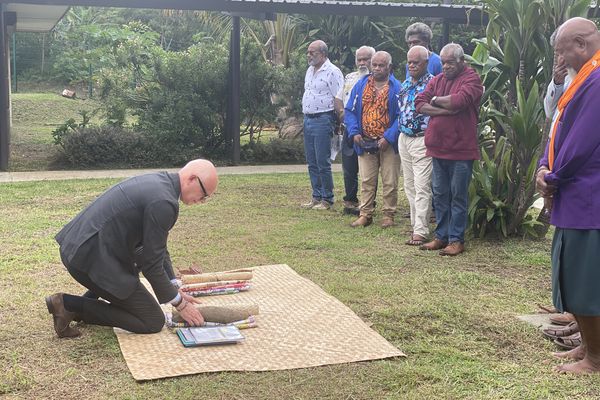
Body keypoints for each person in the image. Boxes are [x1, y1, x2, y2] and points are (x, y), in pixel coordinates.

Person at [46, 159, 218, 338]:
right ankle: (68, 304)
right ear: (192, 179)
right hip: (89, 257)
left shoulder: (161, 183)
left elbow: (156, 248)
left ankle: (81, 304)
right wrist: (180, 304)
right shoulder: (164, 202)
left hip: (81, 247)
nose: (202, 201)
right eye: (204, 194)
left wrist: (173, 286)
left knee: (131, 275)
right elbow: (152, 265)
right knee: (151, 319)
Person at [536, 17, 600, 374]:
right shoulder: (583, 78)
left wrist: (552, 176)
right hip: (572, 193)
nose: (558, 58)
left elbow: (582, 143)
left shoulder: (597, 80)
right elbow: (559, 128)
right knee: (572, 274)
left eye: (561, 50)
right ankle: (588, 347)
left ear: (581, 46)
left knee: (586, 280)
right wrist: (545, 169)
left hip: (587, 195)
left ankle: (596, 357)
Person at [414, 43, 483, 256]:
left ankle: (456, 239)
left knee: (458, 195)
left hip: (461, 149)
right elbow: (419, 103)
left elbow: (460, 101)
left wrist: (435, 102)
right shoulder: (437, 80)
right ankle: (441, 237)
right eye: (443, 62)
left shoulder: (472, 79)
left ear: (462, 61)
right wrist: (443, 111)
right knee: (440, 195)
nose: (445, 67)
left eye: (450, 63)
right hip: (437, 148)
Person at [344, 51, 401, 228]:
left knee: (390, 180)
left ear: (389, 67)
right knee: (367, 180)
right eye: (374, 65)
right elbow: (350, 110)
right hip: (365, 140)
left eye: (381, 65)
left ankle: (388, 215)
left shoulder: (397, 87)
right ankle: (365, 214)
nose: (376, 68)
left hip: (388, 144)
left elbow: (401, 116)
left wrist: (389, 137)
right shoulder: (361, 84)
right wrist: (354, 132)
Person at [301, 40, 344, 210]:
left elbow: (338, 97)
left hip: (323, 119)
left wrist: (339, 122)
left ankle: (328, 198)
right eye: (308, 52)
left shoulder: (333, 72)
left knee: (322, 161)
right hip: (308, 118)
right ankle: (316, 196)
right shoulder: (310, 71)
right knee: (311, 161)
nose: (309, 55)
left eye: (313, 53)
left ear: (323, 54)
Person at [398, 46, 434, 246]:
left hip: (422, 139)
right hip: (404, 138)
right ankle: (415, 224)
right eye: (409, 62)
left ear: (426, 63)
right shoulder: (405, 84)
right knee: (409, 185)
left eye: (416, 62)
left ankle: (421, 230)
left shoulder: (432, 84)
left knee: (422, 186)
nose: (411, 65)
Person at [334, 46, 376, 216]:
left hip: (369, 131)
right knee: (349, 168)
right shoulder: (350, 77)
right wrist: (343, 115)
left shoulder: (378, 79)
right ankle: (350, 200)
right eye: (359, 59)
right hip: (349, 130)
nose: (362, 62)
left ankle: (369, 202)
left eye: (366, 59)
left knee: (369, 170)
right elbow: (338, 99)